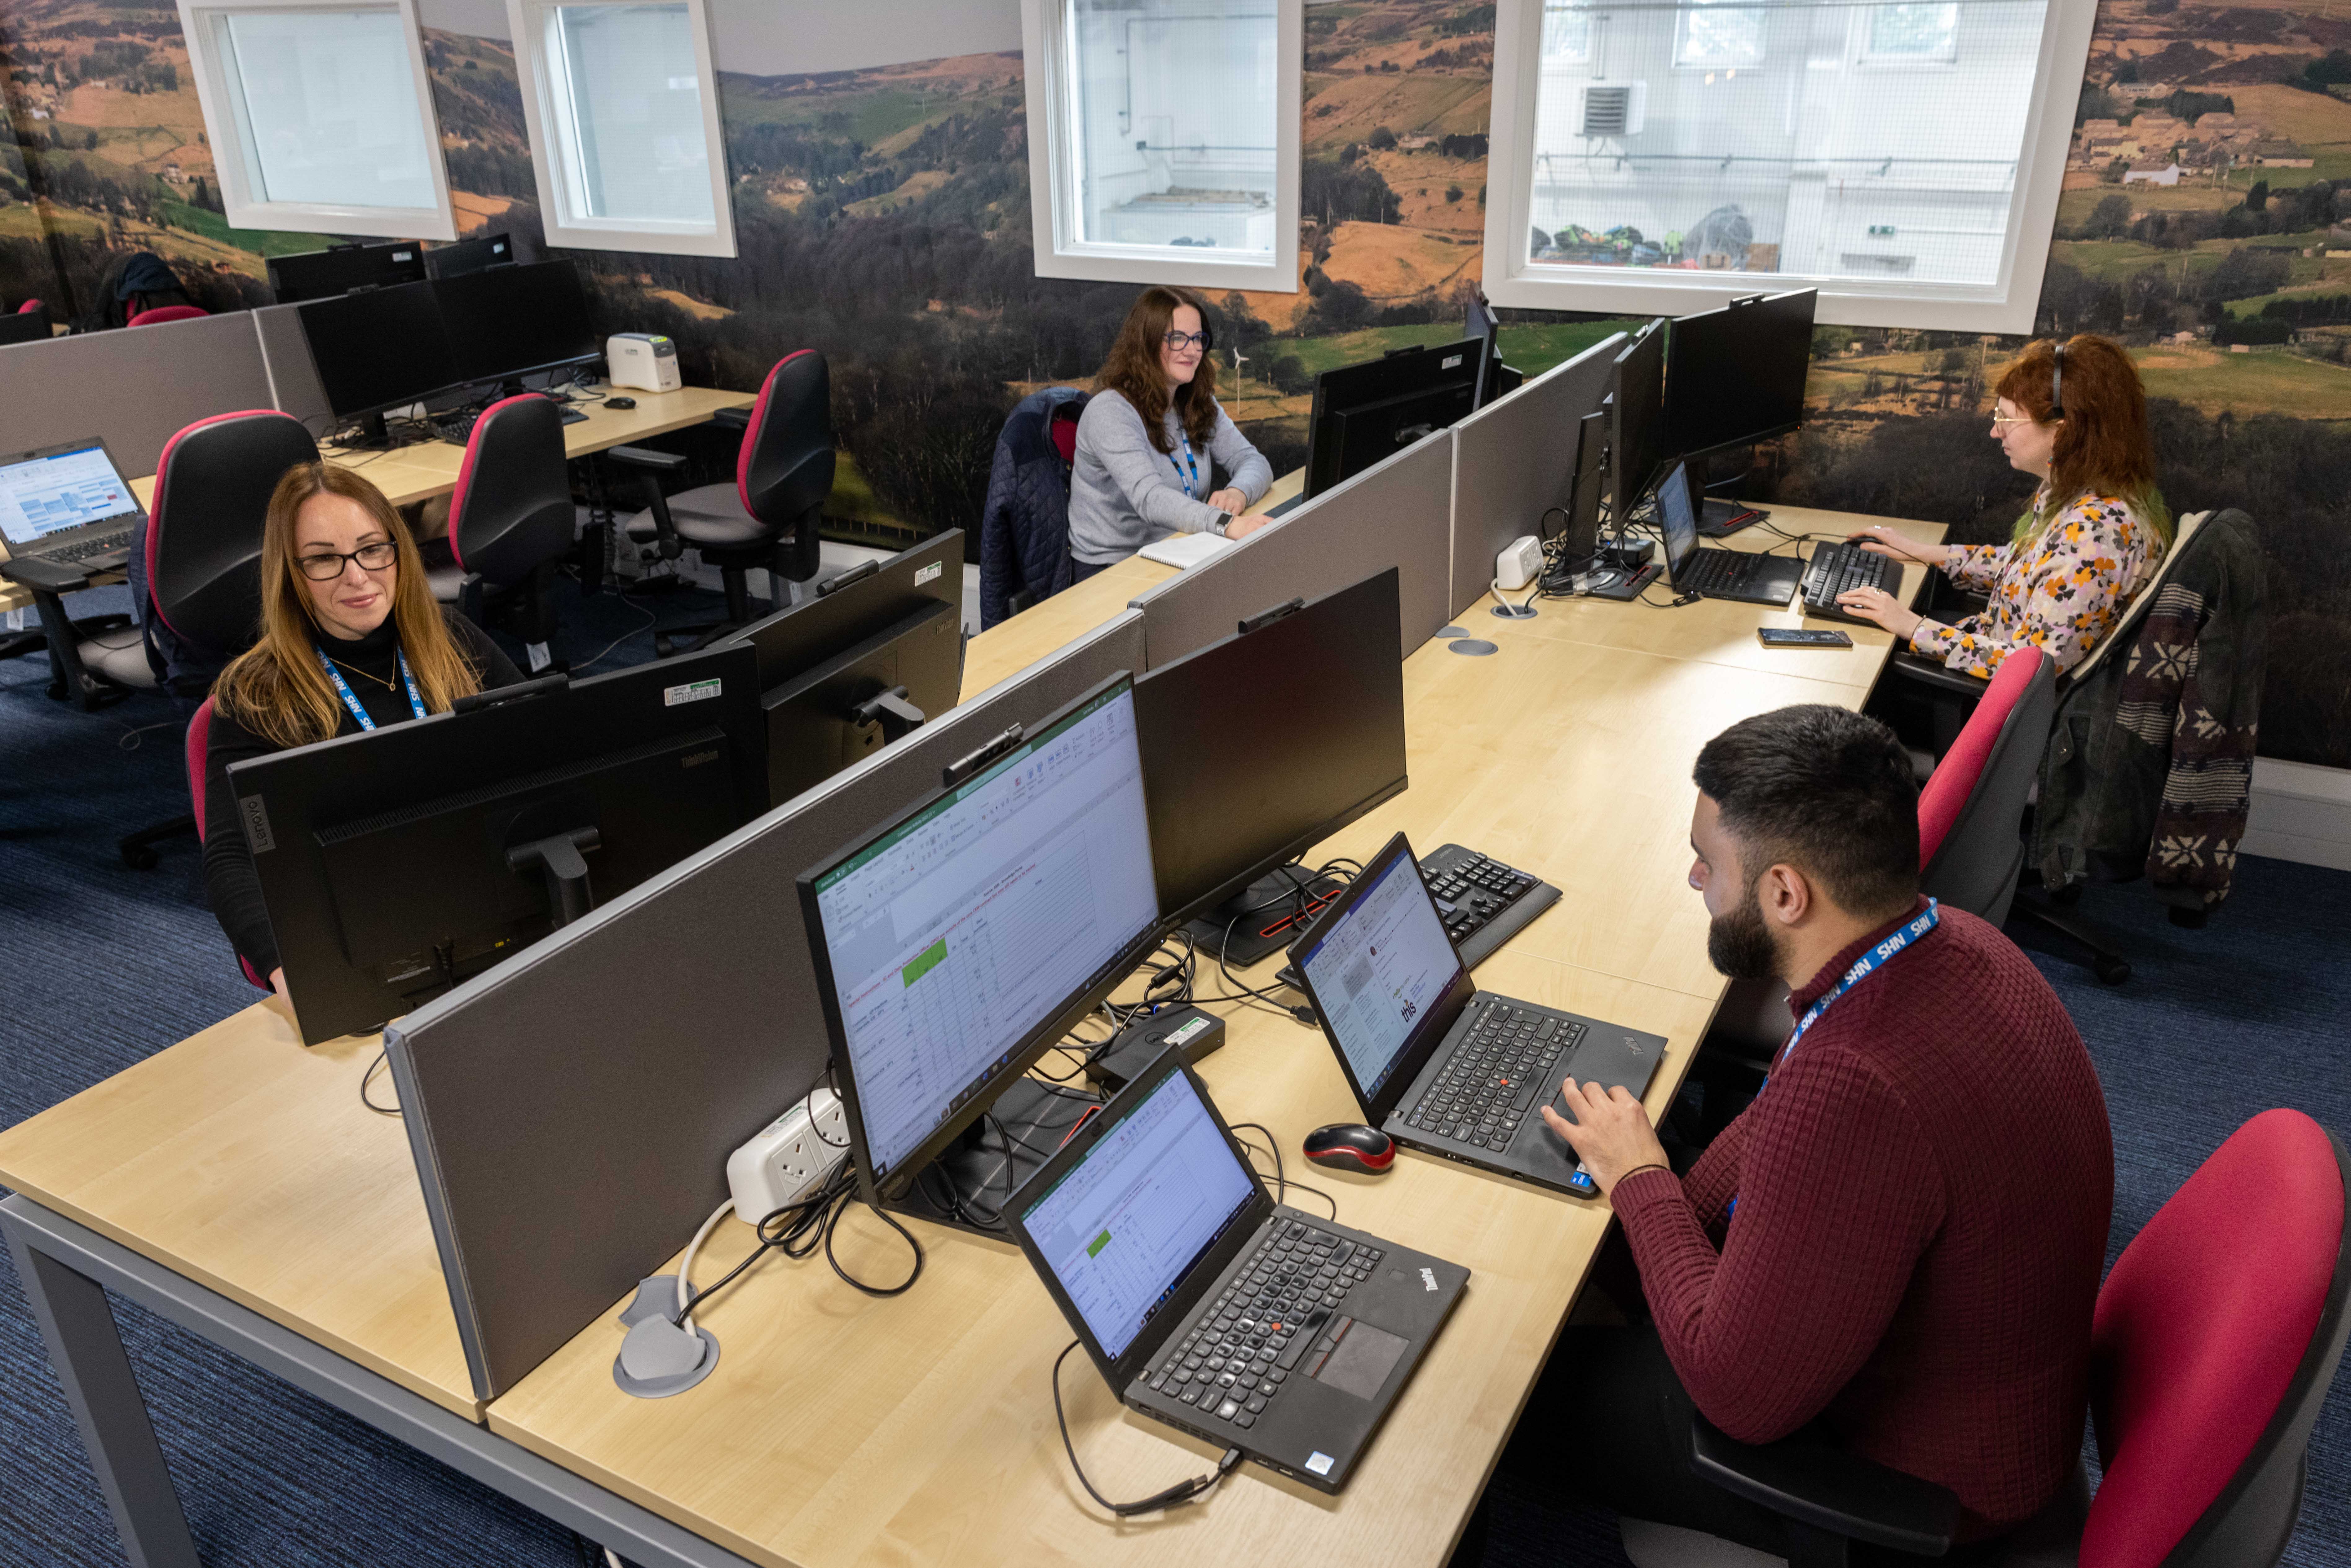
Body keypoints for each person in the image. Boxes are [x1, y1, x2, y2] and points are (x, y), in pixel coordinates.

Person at [1522, 704, 2112, 1551]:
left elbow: (1738, 1395)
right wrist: (1650, 1208)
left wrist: (1642, 1187)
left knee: (1506, 1391)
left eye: (1707, 864)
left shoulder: (1858, 1085)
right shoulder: (1957, 944)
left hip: (1914, 1490)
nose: (1696, 883)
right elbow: (1777, 1128)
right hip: (1995, 1403)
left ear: (1785, 893)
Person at [205, 463, 524, 994]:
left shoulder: (449, 636)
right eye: (326, 559)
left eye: (373, 548)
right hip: (367, 930)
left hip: (485, 895)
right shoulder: (259, 694)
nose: (358, 576)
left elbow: (545, 744)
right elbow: (232, 856)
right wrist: (287, 970)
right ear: (291, 571)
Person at [1836, 333, 2170, 681]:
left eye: (2006, 419)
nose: (1996, 433)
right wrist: (1921, 552)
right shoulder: (2080, 494)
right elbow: (2027, 570)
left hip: (1994, 691)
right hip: (1984, 643)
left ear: (2062, 432)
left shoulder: (2095, 534)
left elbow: (2031, 669)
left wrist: (1912, 626)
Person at [1068, 285, 1276, 577]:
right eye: (1178, 339)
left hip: (1181, 549)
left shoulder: (1195, 400)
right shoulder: (1110, 411)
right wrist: (1226, 523)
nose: (1192, 350)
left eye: (1197, 339)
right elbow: (1150, 499)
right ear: (1147, 344)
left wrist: (1238, 493)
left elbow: (1253, 461)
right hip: (1112, 569)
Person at [77, 250, 200, 333]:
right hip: (188, 317)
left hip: (147, 319)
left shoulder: (114, 272)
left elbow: (99, 317)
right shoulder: (148, 265)